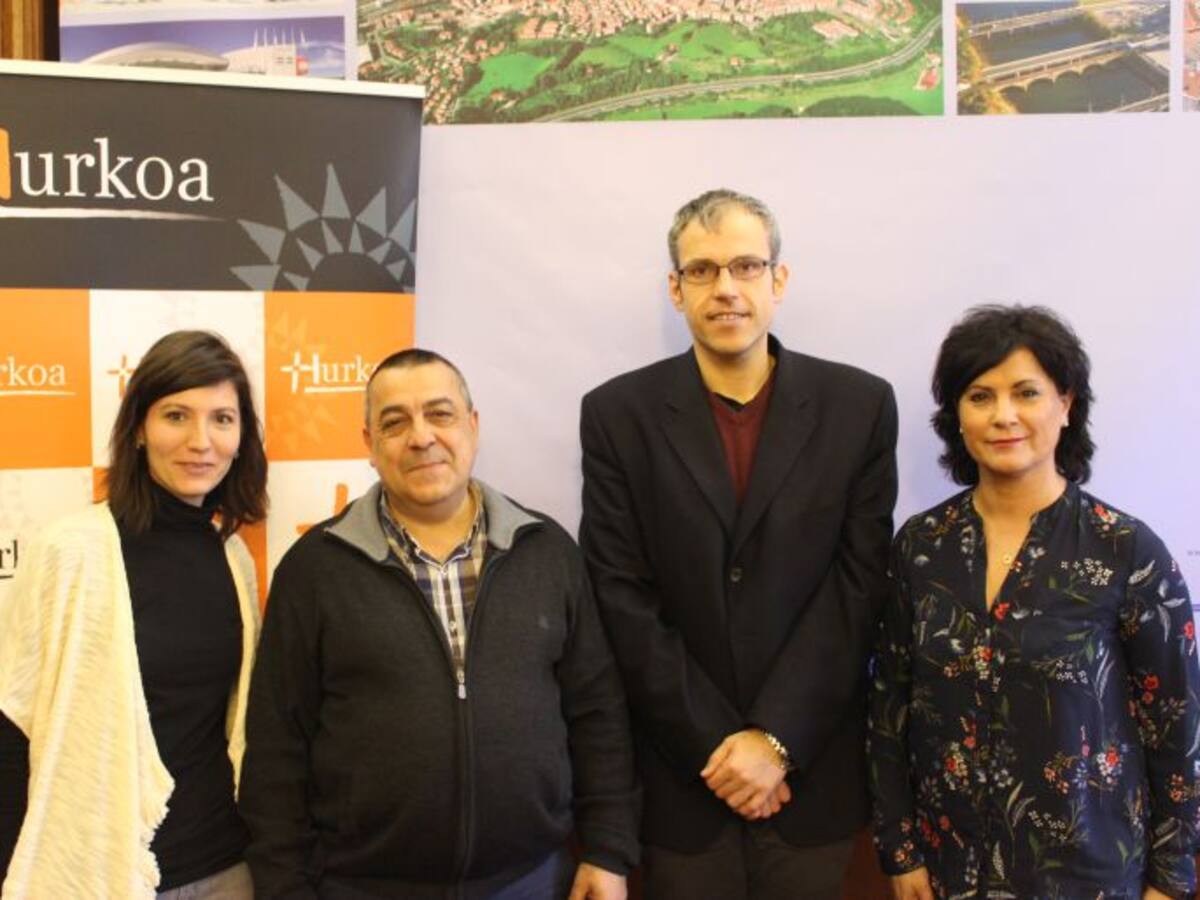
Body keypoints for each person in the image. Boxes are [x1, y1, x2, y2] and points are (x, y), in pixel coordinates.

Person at [579, 188, 898, 898]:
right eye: (702, 270)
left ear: (778, 280)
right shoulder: (616, 415)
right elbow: (620, 596)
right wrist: (719, 749)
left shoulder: (860, 407)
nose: (725, 288)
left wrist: (775, 741)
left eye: (746, 266)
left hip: (810, 782)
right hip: (683, 785)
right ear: (676, 289)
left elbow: (857, 589)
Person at [240, 348, 639, 899]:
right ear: (370, 445)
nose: (421, 437)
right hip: (362, 888)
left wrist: (607, 850)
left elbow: (598, 715)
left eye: (440, 414)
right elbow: (277, 750)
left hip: (531, 882)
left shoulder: (547, 551)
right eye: (395, 422)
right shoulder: (314, 570)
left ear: (472, 426)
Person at [869, 304, 1200, 899]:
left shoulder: (1125, 550)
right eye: (980, 396)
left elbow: (1177, 725)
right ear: (957, 415)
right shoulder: (921, 546)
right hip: (947, 872)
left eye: (1026, 393)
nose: (1004, 416)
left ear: (1066, 404)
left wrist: (1172, 882)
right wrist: (899, 849)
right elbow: (889, 704)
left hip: (1088, 875)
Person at [0, 330, 268, 898]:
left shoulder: (234, 559)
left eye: (222, 419)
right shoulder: (70, 550)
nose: (201, 441)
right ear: (140, 429)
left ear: (242, 436)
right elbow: (11, 724)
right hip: (98, 872)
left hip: (225, 865)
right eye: (176, 415)